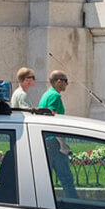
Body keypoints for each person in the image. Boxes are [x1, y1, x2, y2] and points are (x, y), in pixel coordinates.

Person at [38, 70, 78, 198]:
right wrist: (63, 144)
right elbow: (52, 119)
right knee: (66, 179)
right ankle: (76, 205)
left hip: (47, 140)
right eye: (66, 81)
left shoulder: (47, 94)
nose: (67, 84)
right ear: (58, 81)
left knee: (45, 179)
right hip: (54, 142)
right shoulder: (55, 96)